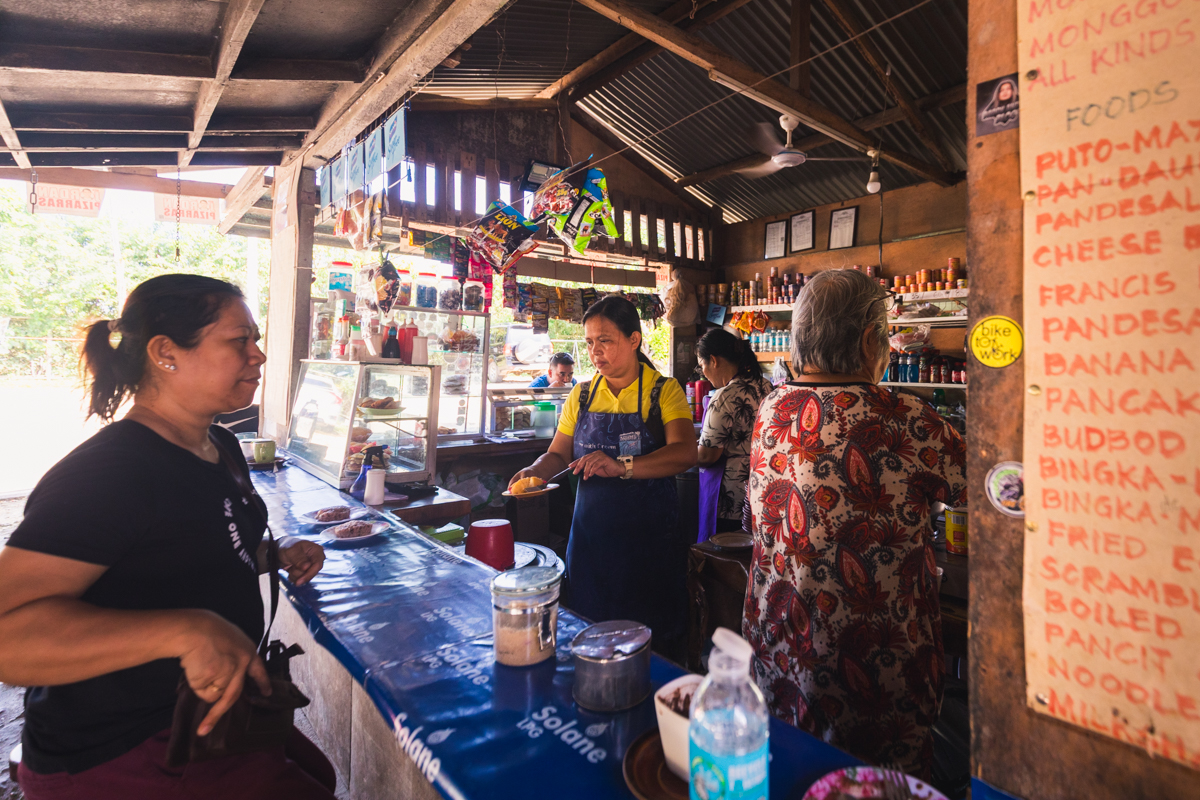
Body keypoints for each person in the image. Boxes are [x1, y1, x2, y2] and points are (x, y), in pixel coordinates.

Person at [0, 275, 336, 800]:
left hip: (211, 722)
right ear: (165, 353)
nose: (259, 355)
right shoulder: (112, 472)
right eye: (239, 341)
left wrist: (272, 554)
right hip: (124, 753)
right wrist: (184, 631)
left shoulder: (219, 443)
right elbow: (8, 637)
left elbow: (184, 552)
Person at [741, 269, 966, 778]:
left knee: (791, 774)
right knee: (875, 783)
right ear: (871, 339)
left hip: (779, 646)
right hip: (873, 664)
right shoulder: (904, 416)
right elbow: (984, 487)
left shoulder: (772, 408)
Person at [509, 295, 696, 647]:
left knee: (651, 642)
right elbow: (557, 455)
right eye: (590, 343)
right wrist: (534, 471)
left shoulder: (663, 391)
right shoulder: (580, 395)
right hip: (591, 542)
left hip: (649, 542)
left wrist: (622, 466)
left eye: (606, 341)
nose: (596, 352)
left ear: (634, 340)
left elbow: (685, 453)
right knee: (590, 635)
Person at [695, 328, 774, 539]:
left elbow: (706, 455)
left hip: (730, 499)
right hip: (762, 491)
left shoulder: (724, 397)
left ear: (714, 360)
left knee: (724, 561)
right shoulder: (766, 386)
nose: (703, 373)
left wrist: (680, 452)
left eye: (702, 365)